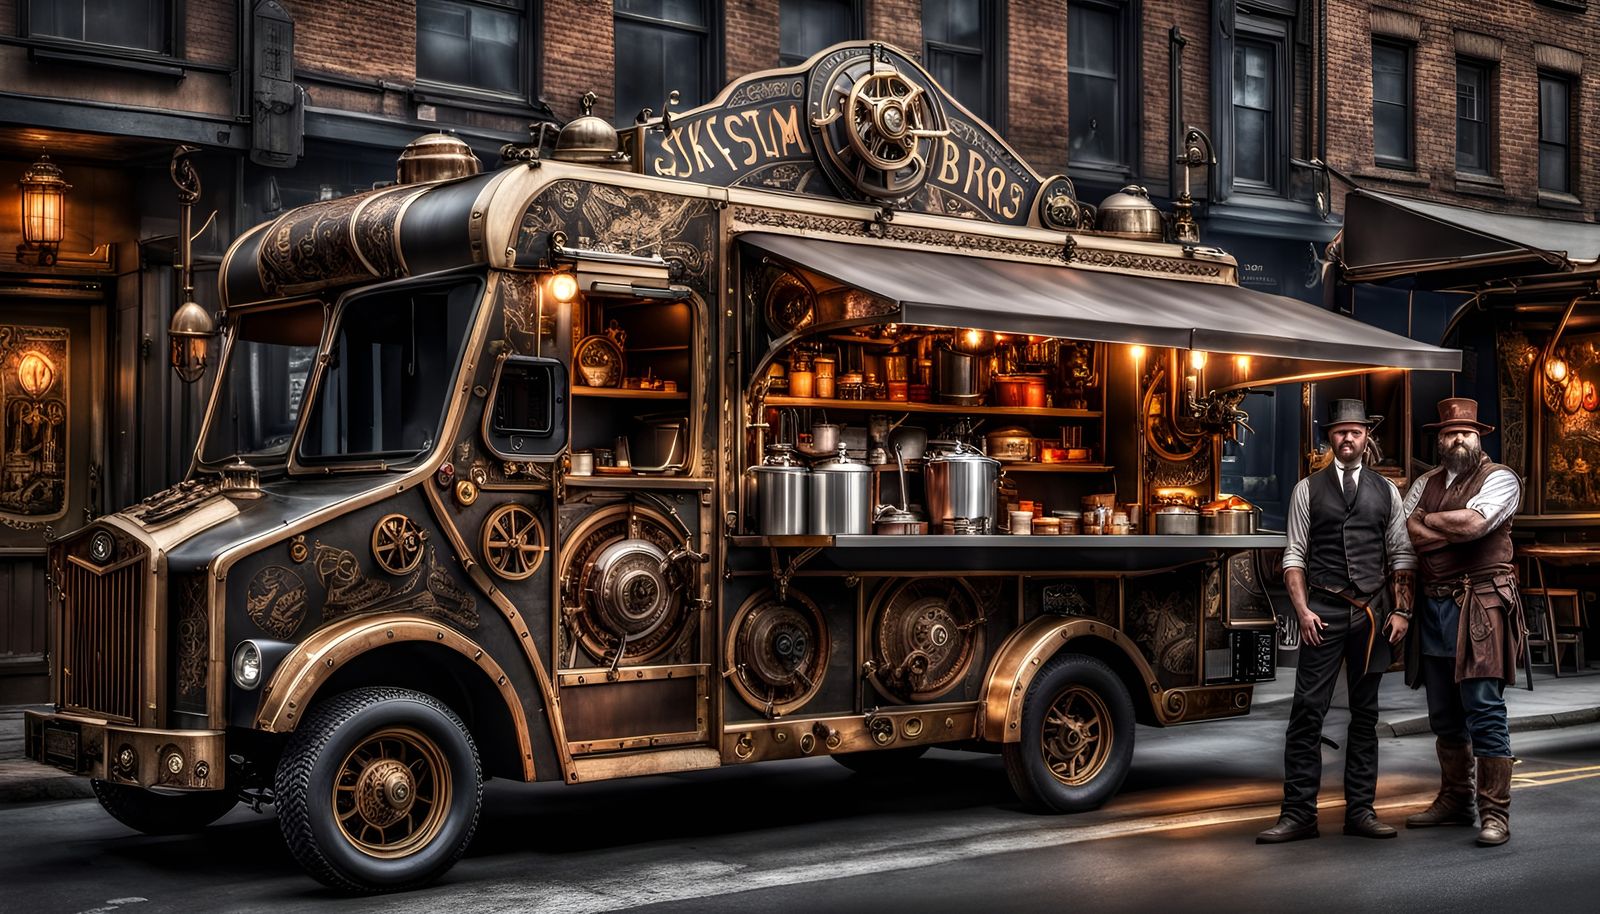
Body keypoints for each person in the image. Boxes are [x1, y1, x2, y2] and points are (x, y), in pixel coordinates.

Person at [1257, 398, 1414, 844]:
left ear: (1367, 437)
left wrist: (1402, 610)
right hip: (1322, 612)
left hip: (1371, 614)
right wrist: (1302, 610)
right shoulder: (1306, 490)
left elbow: (1401, 553)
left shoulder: (1387, 491)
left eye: (1356, 432)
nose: (1348, 438)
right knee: (1307, 711)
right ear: (1330, 436)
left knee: (1366, 715)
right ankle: (1298, 815)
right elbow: (1294, 555)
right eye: (1341, 431)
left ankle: (1361, 812)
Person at [1400, 397, 1524, 847]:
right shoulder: (1424, 482)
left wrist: (1428, 523)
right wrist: (1443, 530)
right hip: (1434, 607)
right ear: (1440, 440)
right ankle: (1455, 801)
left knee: (1484, 708)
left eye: (1466, 433)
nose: (1459, 439)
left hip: (1481, 605)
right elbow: (1404, 533)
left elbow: (1474, 526)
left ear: (1479, 438)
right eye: (1451, 432)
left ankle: (1495, 814)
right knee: (1443, 714)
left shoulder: (1501, 478)